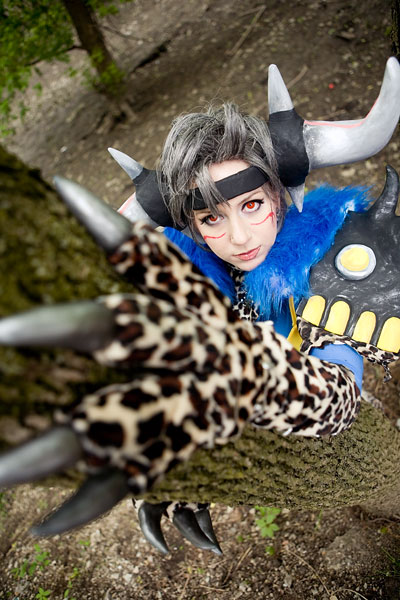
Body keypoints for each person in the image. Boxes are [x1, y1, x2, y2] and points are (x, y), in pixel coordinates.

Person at [0, 61, 399, 556]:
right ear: (193, 225)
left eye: (252, 205)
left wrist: (253, 378)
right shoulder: (191, 278)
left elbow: (339, 392)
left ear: (277, 197)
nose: (238, 237)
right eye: (211, 217)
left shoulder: (328, 256)